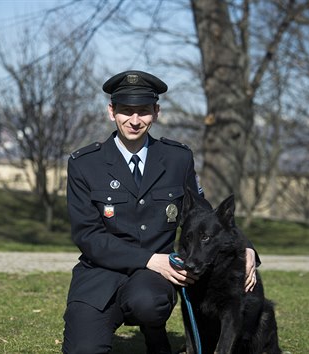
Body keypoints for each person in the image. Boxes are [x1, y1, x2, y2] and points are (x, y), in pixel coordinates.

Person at [62, 70, 260, 354]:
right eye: (126, 111)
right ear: (111, 112)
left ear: (156, 112)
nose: (134, 120)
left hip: (152, 281)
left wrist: (245, 245)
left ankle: (154, 333)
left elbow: (202, 214)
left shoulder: (177, 158)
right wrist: (149, 259)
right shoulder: (84, 164)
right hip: (100, 275)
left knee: (149, 303)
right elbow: (88, 236)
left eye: (143, 111)